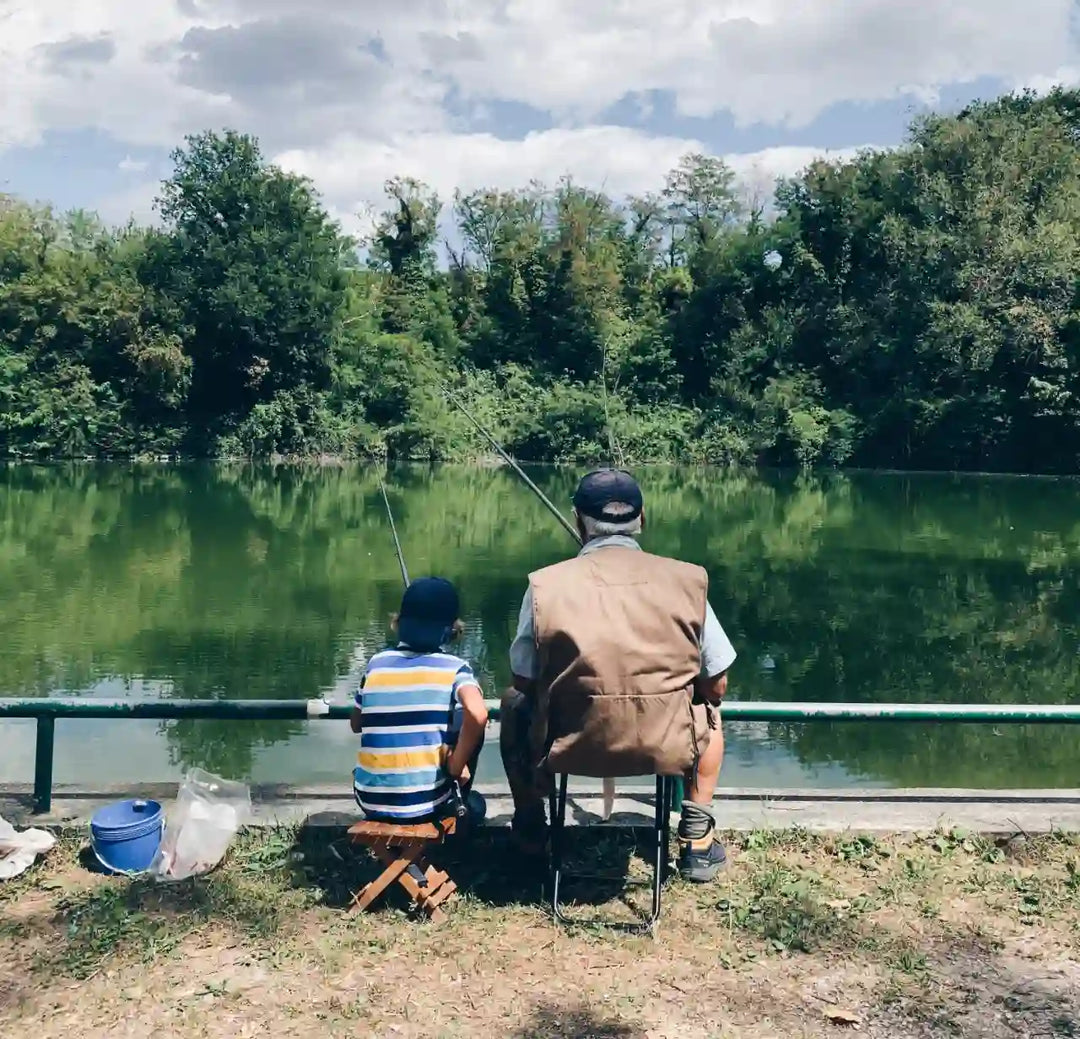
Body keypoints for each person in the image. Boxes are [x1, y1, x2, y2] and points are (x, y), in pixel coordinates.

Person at [502, 469, 736, 882]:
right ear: (642, 518)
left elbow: (522, 680)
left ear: (578, 520)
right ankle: (697, 839)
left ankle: (530, 829)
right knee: (710, 712)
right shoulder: (687, 580)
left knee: (512, 704)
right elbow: (716, 683)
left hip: (567, 745)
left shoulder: (544, 586)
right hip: (665, 746)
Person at [351, 577, 489, 823]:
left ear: (399, 622)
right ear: (450, 630)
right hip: (427, 804)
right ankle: (459, 805)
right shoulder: (456, 669)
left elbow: (356, 724)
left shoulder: (376, 664)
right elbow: (478, 714)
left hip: (369, 801)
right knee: (475, 801)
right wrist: (456, 765)